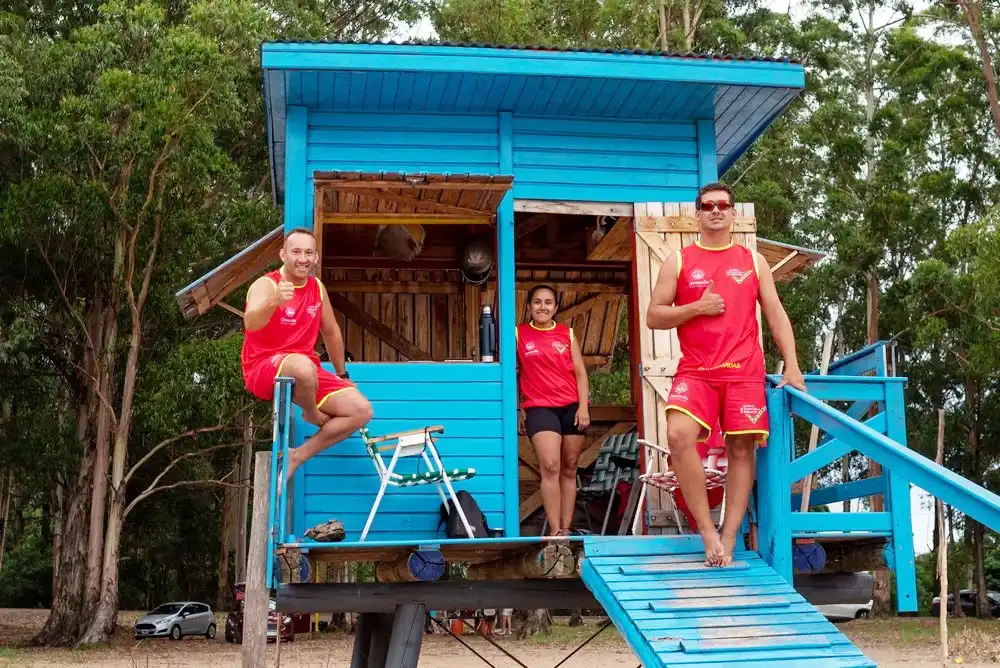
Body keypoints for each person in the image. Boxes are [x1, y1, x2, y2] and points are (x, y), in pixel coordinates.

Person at [646, 182, 806, 567]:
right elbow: (654, 315)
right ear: (697, 214)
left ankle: (728, 538)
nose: (716, 211)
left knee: (740, 449)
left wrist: (794, 364)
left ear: (733, 213)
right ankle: (705, 529)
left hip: (744, 372)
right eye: (708, 206)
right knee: (678, 435)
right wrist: (696, 308)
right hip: (696, 370)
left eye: (723, 205)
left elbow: (775, 313)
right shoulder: (679, 261)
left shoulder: (753, 262)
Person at [241, 228, 373, 479]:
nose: (303, 258)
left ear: (316, 258)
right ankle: (311, 413)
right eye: (296, 252)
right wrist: (274, 301)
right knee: (302, 366)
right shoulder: (266, 284)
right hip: (263, 366)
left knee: (361, 410)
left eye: (309, 253)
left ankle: (297, 455)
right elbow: (250, 323)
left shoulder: (316, 287)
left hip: (307, 369)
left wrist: (342, 374)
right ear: (283, 255)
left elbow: (332, 332)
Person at [515, 285, 590, 537]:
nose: (543, 307)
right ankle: (554, 532)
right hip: (539, 407)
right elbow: (511, 374)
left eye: (548, 302)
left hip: (571, 407)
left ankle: (566, 530)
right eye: (537, 302)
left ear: (555, 307)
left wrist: (583, 407)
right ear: (529, 307)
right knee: (550, 465)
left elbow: (580, 373)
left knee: (569, 467)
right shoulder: (518, 334)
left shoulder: (567, 334)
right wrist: (517, 409)